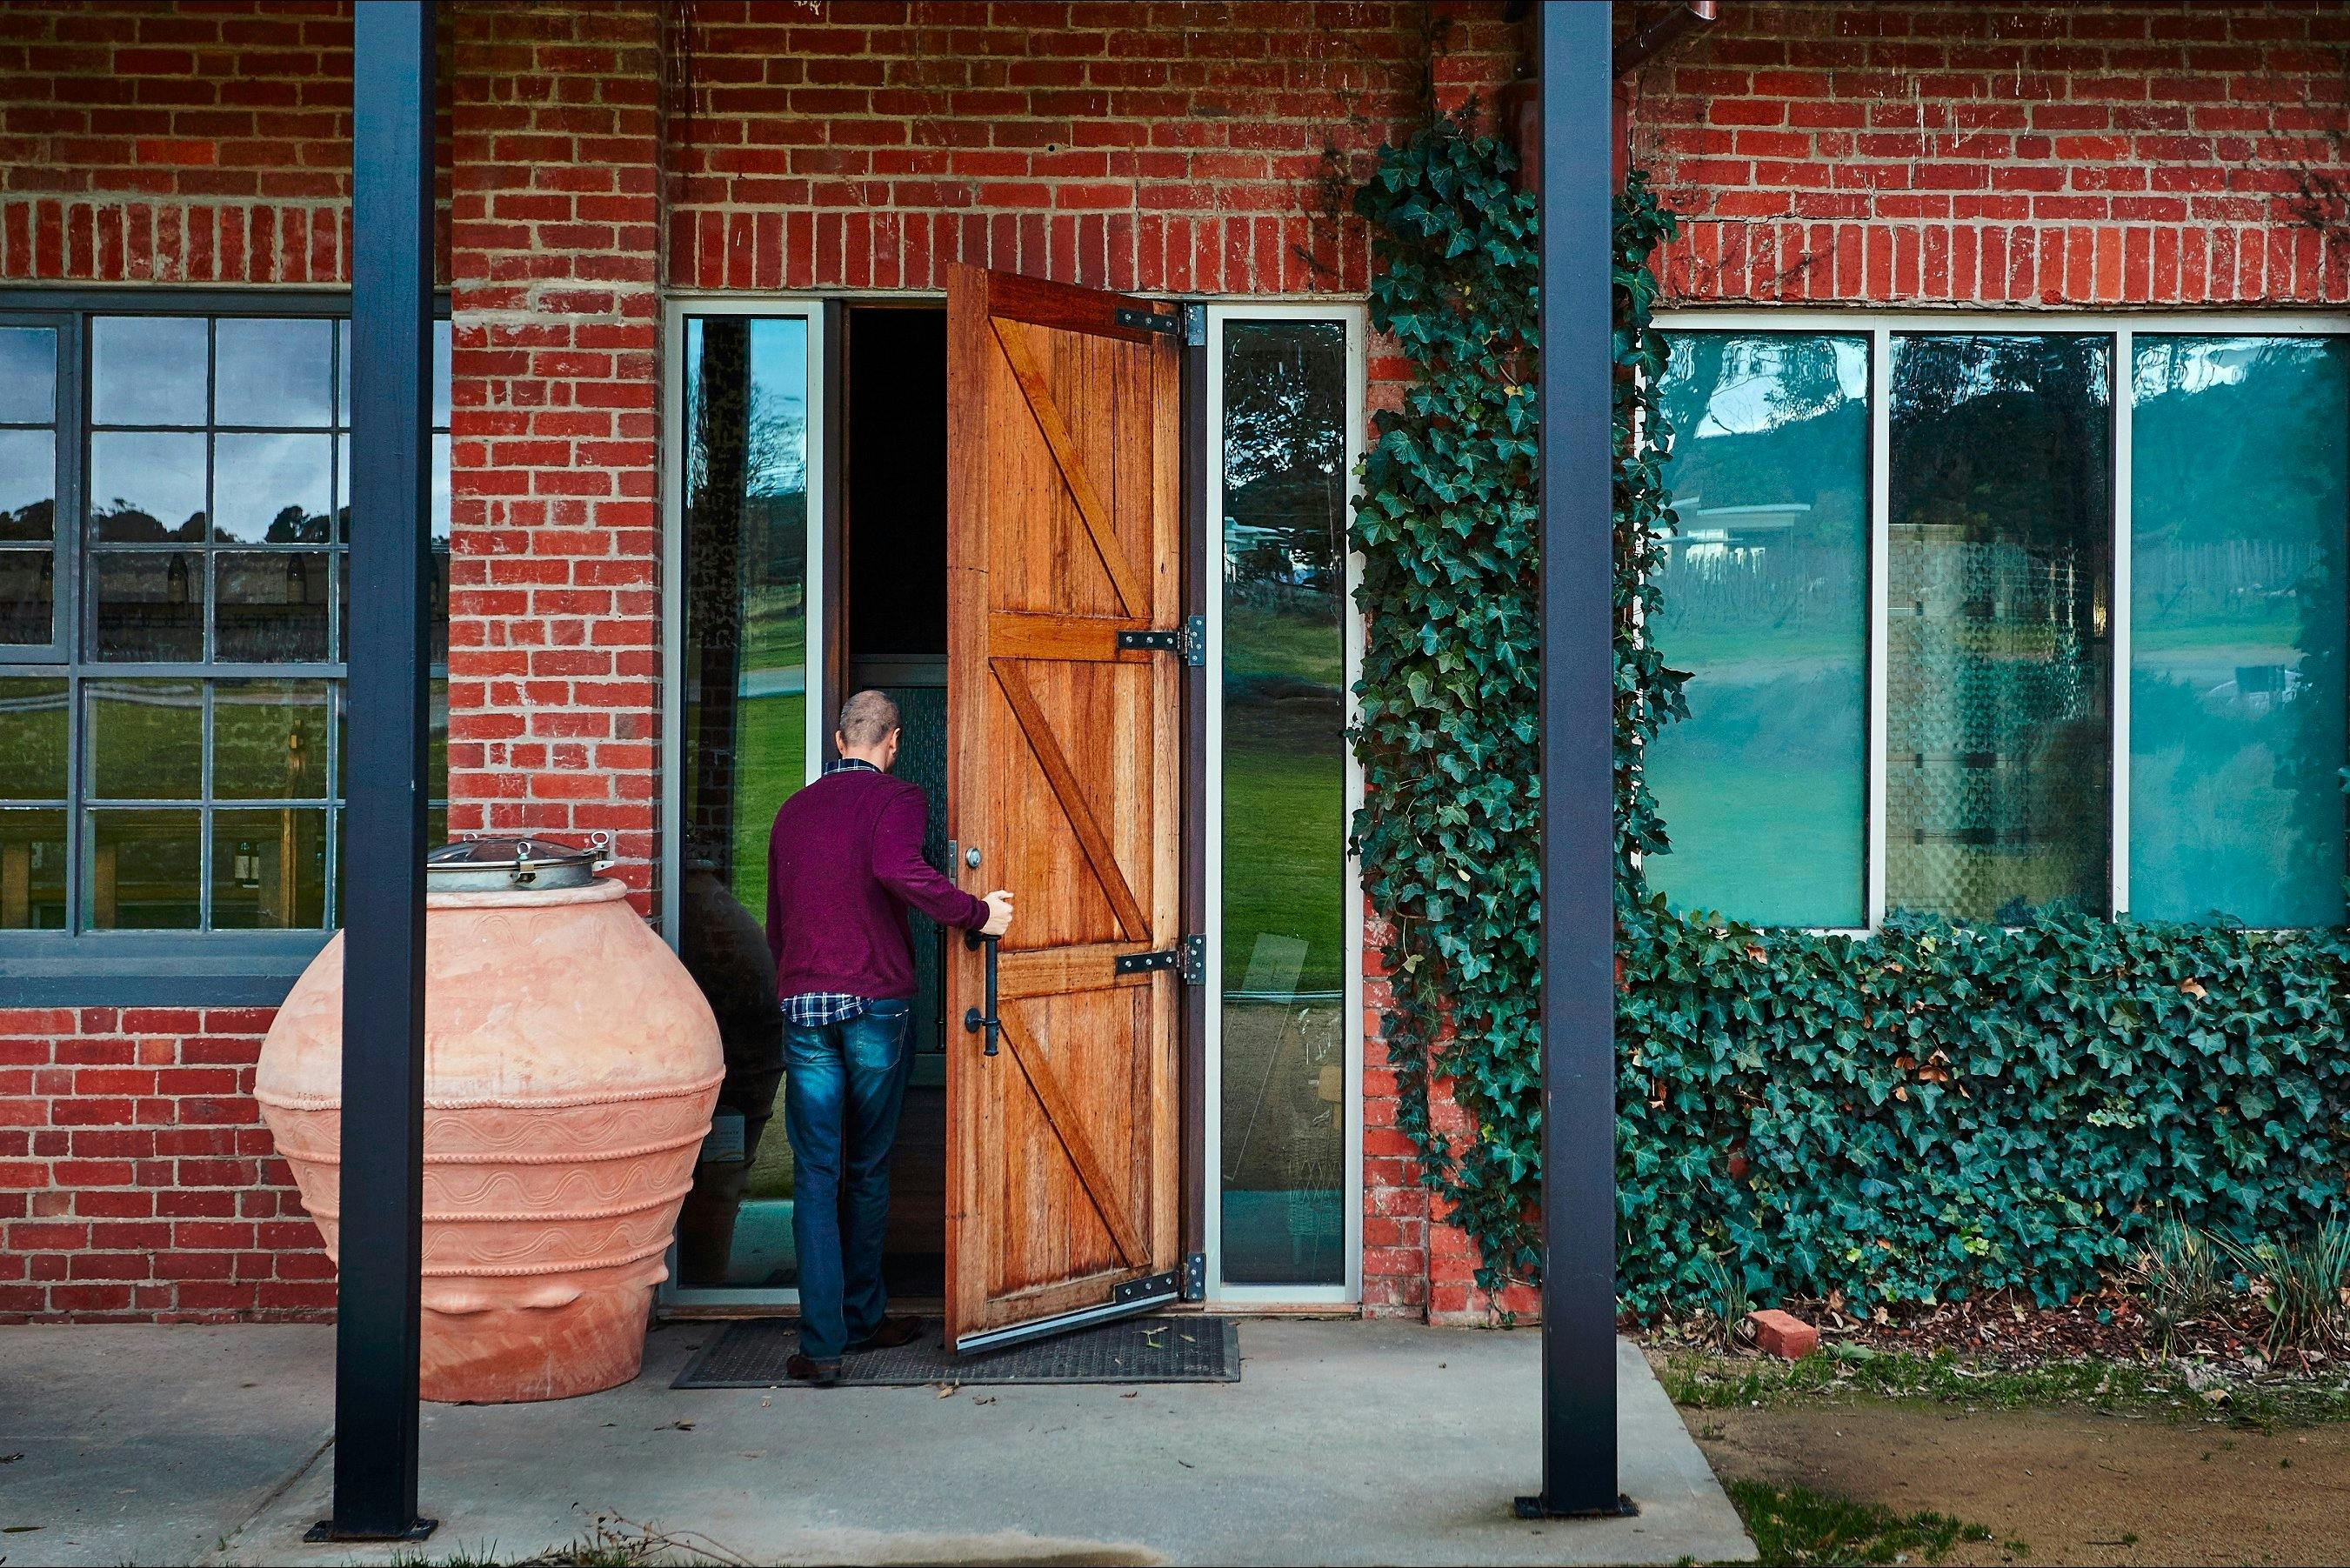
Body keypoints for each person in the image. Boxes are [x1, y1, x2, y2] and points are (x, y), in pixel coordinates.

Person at [764, 689, 1012, 1385]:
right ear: (893, 741)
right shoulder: (899, 798)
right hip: (874, 1005)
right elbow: (897, 870)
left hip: (805, 1003)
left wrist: (792, 981)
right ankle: (864, 1317)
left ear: (840, 740)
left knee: (816, 1173)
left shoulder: (792, 810)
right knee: (868, 1165)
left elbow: (777, 919)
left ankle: (821, 1345)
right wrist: (975, 913)